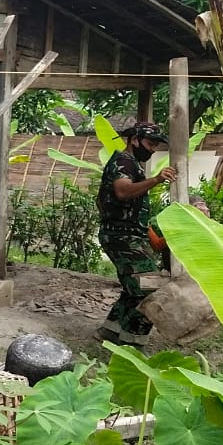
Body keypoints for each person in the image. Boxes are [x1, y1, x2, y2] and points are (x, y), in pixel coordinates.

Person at [95, 121, 177, 346]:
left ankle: (110, 331)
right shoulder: (124, 161)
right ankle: (133, 342)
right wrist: (157, 179)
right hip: (123, 237)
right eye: (150, 144)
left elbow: (105, 200)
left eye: (155, 146)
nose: (152, 150)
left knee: (135, 287)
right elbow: (122, 191)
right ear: (134, 140)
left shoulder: (130, 163)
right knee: (150, 287)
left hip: (125, 235)